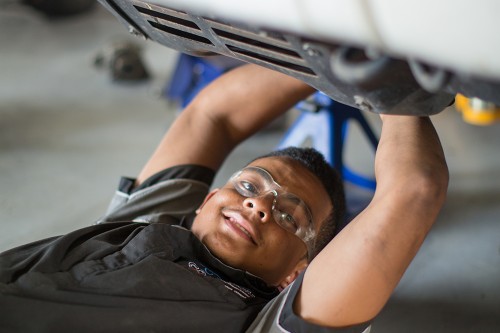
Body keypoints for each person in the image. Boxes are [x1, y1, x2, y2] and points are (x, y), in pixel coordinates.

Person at [0, 64, 449, 332]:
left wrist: (390, 85)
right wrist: (332, 61)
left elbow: (415, 190)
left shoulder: (268, 321)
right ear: (207, 200)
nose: (259, 206)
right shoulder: (146, 219)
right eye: (249, 187)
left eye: (290, 218)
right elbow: (212, 115)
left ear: (296, 272)